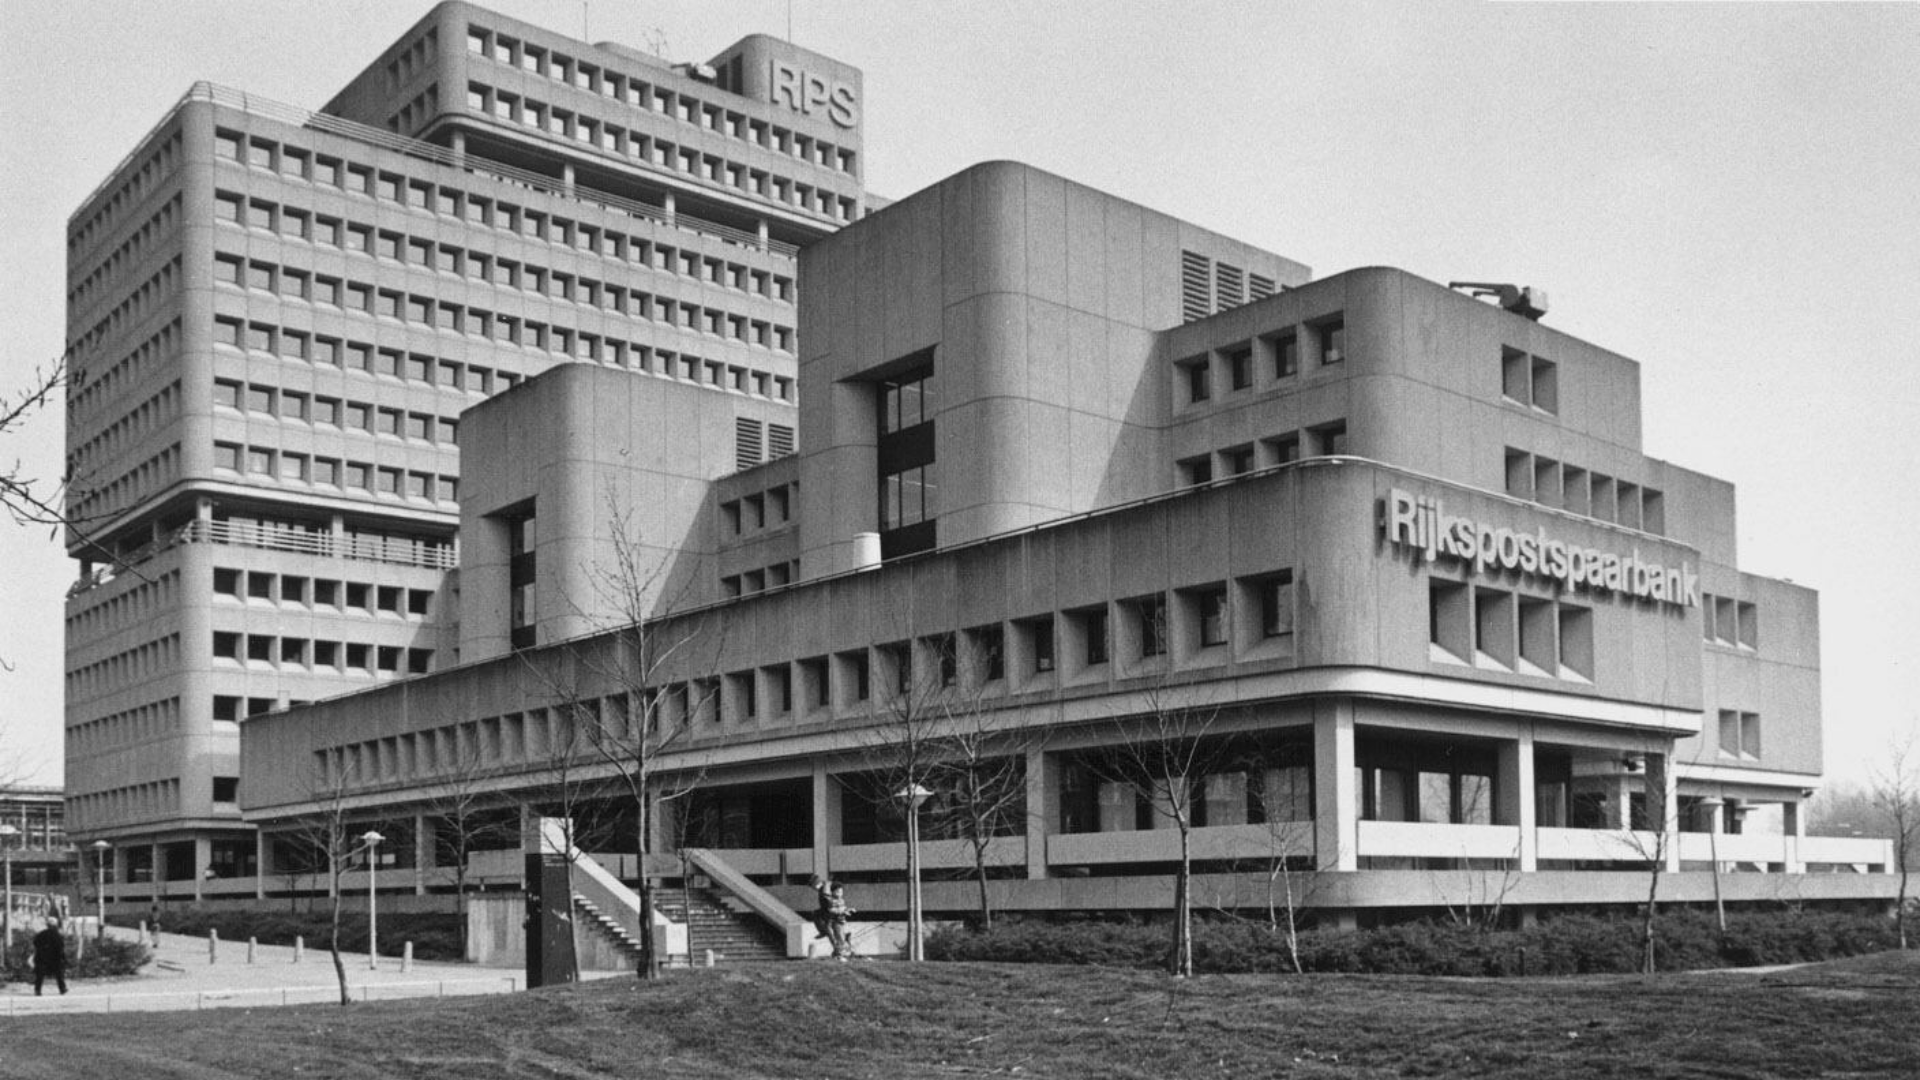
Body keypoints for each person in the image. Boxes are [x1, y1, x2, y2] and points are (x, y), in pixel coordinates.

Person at [31, 917, 69, 996]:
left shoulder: (41, 934)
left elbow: (35, 943)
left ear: (47, 925)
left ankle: (37, 990)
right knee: (59, 974)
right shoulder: (57, 935)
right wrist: (64, 959)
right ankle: (62, 988)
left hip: (42, 957)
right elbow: (61, 947)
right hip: (55, 958)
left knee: (40, 975)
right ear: (55, 925)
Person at [826, 882, 854, 961]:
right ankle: (839, 955)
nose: (840, 893)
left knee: (844, 937)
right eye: (837, 891)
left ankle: (837, 954)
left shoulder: (842, 900)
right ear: (832, 892)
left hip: (842, 921)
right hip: (836, 922)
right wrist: (841, 911)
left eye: (841, 892)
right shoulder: (831, 900)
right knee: (840, 938)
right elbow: (831, 910)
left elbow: (843, 908)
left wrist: (849, 910)